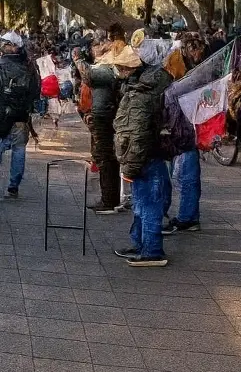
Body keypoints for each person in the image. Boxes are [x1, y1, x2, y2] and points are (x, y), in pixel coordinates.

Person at [113, 47, 174, 267]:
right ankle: (141, 243)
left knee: (148, 205)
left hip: (145, 156)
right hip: (148, 155)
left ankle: (151, 250)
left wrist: (130, 166)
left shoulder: (140, 96)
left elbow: (137, 135)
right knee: (143, 203)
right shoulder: (146, 87)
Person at [0, 31, 39, 199]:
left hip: (1, 115)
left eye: (6, 44)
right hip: (22, 115)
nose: (2, 47)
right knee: (18, 149)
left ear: (14, 46)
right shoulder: (30, 66)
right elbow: (35, 91)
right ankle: (13, 186)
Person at [76, 43, 124, 213]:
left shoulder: (105, 69)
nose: (93, 50)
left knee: (105, 157)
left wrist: (78, 58)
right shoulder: (108, 68)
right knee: (106, 157)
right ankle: (111, 198)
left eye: (97, 47)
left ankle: (109, 200)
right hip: (106, 114)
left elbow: (88, 75)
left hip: (104, 117)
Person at [160, 50, 202, 234]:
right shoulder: (192, 84)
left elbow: (171, 117)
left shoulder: (175, 89)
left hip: (182, 140)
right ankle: (191, 216)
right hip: (189, 139)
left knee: (185, 181)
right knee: (188, 180)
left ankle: (186, 218)